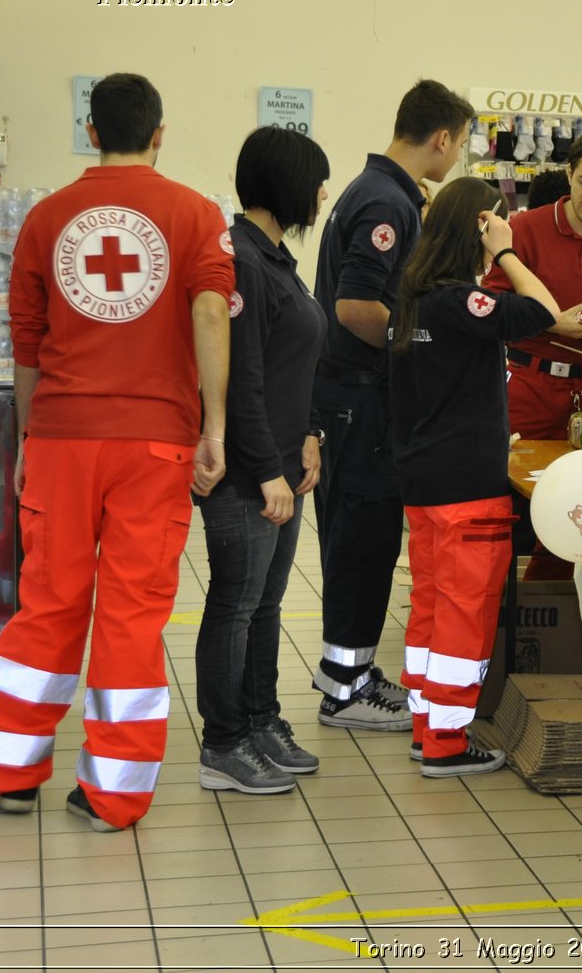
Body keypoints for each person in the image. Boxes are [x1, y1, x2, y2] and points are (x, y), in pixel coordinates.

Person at [0, 72, 233, 832]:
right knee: (131, 614)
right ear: (159, 133)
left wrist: (26, 442)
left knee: (47, 602)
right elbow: (211, 312)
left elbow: (27, 345)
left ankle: (7, 775)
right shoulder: (194, 214)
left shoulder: (47, 217)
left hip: (61, 437)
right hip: (155, 443)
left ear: (91, 132)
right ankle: (113, 793)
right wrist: (213, 429)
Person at [310, 79, 474, 731]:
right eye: (459, 144)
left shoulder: (385, 192)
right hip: (361, 402)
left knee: (368, 543)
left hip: (358, 400)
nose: (456, 155)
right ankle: (345, 690)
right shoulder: (386, 201)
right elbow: (355, 306)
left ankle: (349, 670)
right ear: (441, 138)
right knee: (362, 542)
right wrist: (420, 351)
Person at [389, 179, 558, 776]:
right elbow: (544, 311)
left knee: (431, 609)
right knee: (466, 614)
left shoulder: (410, 298)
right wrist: (508, 252)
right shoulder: (464, 301)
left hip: (424, 484)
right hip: (468, 488)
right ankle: (446, 743)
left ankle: (424, 725)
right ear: (480, 226)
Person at [194, 127, 330, 795]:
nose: (323, 193)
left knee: (265, 607)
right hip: (249, 477)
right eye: (317, 181)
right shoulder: (243, 259)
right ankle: (222, 742)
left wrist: (309, 436)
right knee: (235, 605)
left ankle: (259, 720)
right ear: (288, 184)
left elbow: (289, 368)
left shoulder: (276, 259)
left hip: (283, 465)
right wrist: (268, 470)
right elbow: (240, 378)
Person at [482, 132, 582, 441]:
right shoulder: (525, 228)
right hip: (529, 385)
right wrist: (553, 323)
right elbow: (493, 302)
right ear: (569, 174)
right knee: (517, 477)